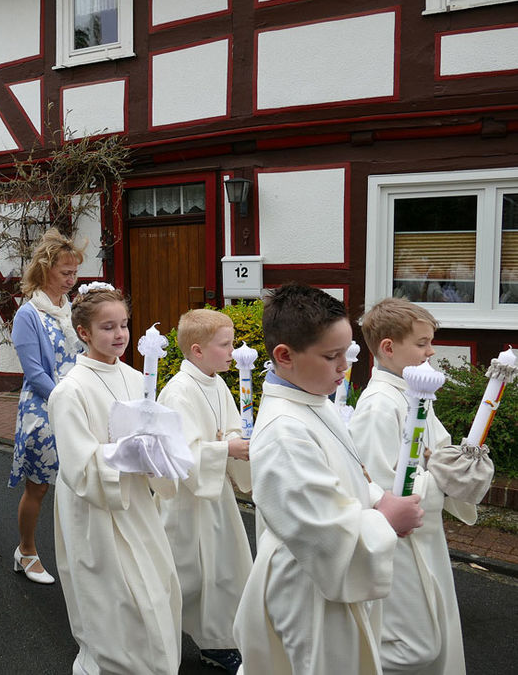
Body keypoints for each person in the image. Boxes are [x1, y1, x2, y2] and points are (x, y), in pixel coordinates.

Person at [232, 283, 424, 675]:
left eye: (347, 354)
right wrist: (386, 520)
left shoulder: (313, 399)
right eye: (332, 356)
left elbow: (344, 473)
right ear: (284, 356)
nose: (344, 367)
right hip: (309, 587)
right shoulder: (285, 429)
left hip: (323, 577)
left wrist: (376, 497)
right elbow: (320, 529)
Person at [350, 298, 490, 675]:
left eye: (431, 341)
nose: (432, 351)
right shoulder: (380, 404)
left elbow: (434, 452)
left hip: (424, 538)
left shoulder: (414, 392)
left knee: (432, 635)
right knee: (413, 645)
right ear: (389, 347)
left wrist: (461, 460)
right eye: (423, 342)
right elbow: (376, 485)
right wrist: (441, 477)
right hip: (399, 542)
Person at [48, 283, 182, 674]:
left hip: (136, 503)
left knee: (155, 588)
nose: (120, 334)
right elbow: (79, 466)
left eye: (124, 324)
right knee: (115, 599)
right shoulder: (69, 391)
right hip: (96, 510)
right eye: (108, 327)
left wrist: (162, 451)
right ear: (84, 332)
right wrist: (127, 452)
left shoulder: (133, 376)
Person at [155, 309, 252, 674]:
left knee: (223, 572)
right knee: (186, 577)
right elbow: (179, 455)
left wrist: (230, 440)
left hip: (216, 499)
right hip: (185, 501)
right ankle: (159, 643)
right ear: (197, 350)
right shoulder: (178, 393)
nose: (232, 350)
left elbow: (227, 428)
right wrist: (226, 448)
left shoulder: (216, 381)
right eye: (224, 344)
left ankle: (218, 642)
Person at [9, 228, 85, 584]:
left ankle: (80, 555)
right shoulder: (29, 314)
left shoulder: (72, 310)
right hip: (44, 409)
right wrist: (63, 402)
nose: (72, 279)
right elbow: (35, 372)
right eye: (65, 272)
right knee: (38, 486)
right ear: (44, 270)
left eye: (74, 272)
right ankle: (25, 551)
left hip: (76, 405)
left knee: (78, 482)